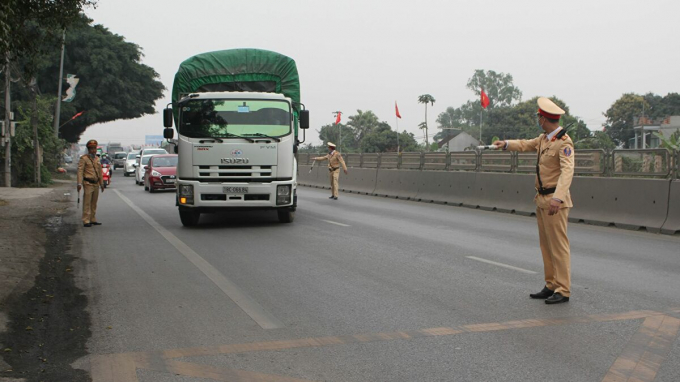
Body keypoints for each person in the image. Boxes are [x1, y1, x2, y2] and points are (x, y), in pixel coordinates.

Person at [492, 97, 575, 305]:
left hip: (555, 201)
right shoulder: (544, 139)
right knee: (546, 246)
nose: (538, 120)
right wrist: (506, 144)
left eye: (539, 117)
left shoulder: (564, 142)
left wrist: (558, 197)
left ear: (544, 119)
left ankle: (563, 289)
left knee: (559, 247)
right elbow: (524, 144)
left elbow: (567, 172)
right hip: (542, 199)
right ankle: (551, 285)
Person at [77, 140, 105, 227]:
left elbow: (99, 172)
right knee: (87, 202)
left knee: (94, 202)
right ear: (88, 149)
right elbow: (80, 171)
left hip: (96, 183)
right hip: (88, 183)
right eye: (92, 149)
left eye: (94, 148)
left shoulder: (97, 159)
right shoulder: (84, 159)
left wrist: (102, 183)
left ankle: (92, 219)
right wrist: (79, 183)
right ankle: (86, 220)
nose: (94, 150)